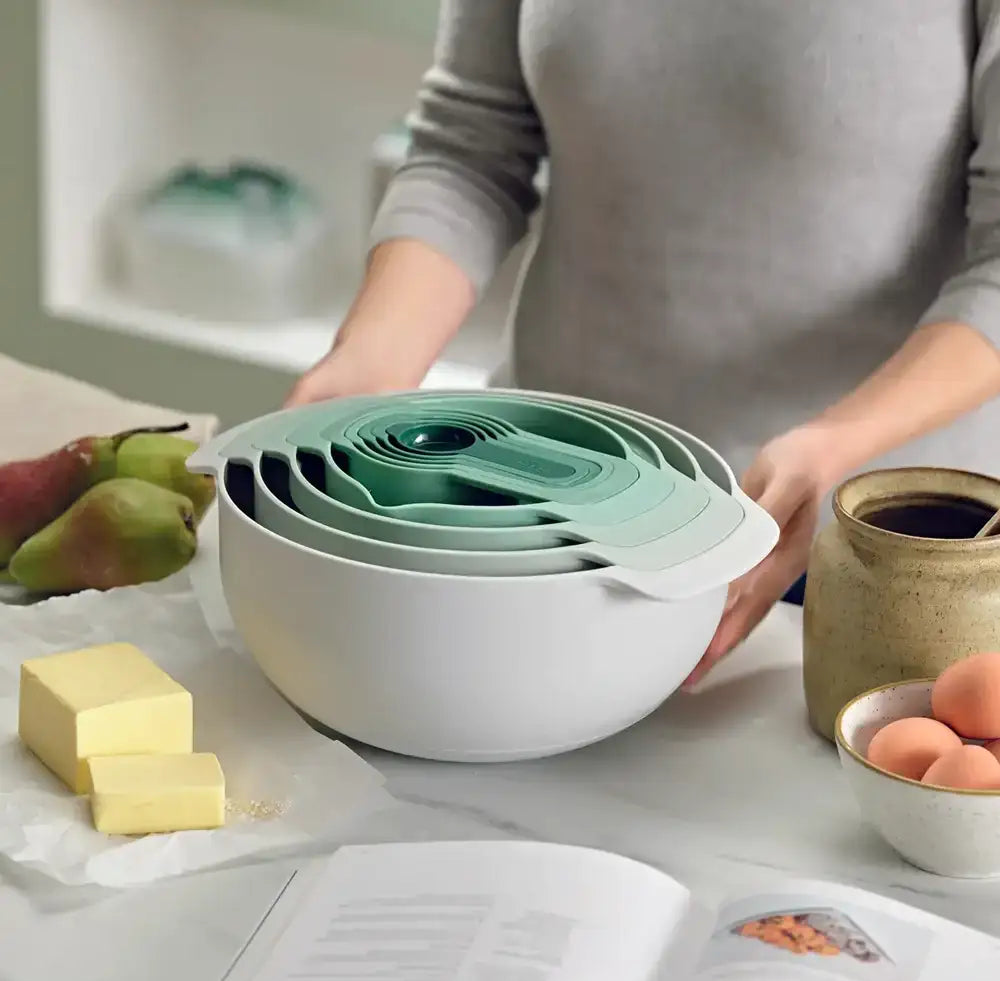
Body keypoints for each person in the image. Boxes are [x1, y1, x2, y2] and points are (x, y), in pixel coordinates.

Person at [286, 1, 1000, 686]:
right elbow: (470, 148)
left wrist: (835, 443)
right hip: (535, 503)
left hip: (868, 561)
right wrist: (369, 362)